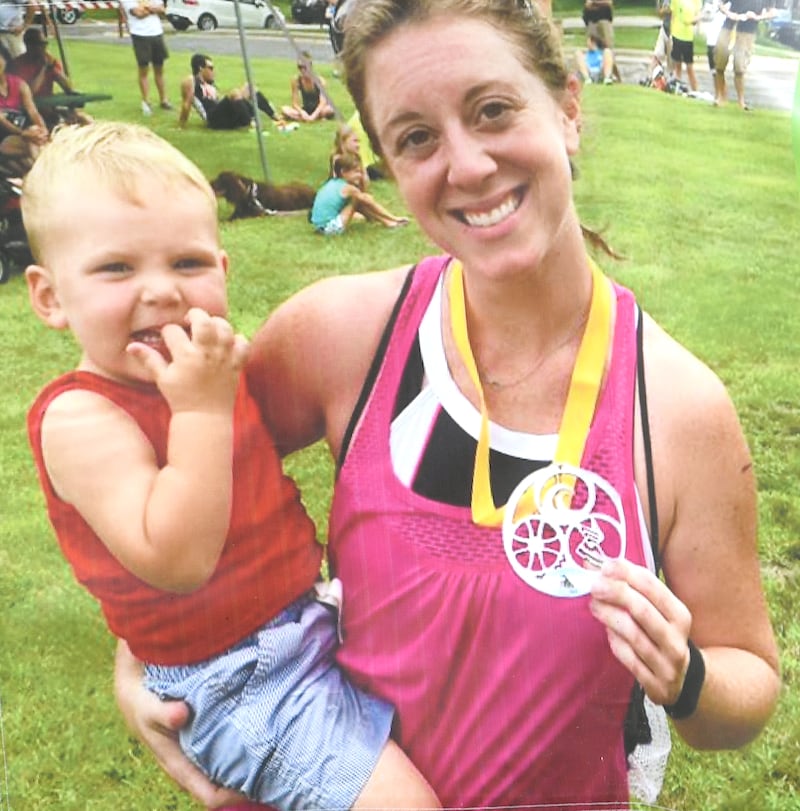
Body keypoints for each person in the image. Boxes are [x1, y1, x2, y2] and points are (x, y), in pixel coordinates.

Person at [116, 1, 781, 808]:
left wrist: (687, 674)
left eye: (492, 109)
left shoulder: (675, 408)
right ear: (390, 166)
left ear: (568, 109)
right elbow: (163, 478)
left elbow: (750, 681)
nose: (466, 166)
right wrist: (141, 655)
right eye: (417, 137)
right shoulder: (341, 336)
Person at [22, 121, 439, 811]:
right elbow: (177, 559)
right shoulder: (81, 417)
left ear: (223, 269)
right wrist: (202, 410)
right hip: (234, 678)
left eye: (187, 263)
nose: (162, 291)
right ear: (50, 297)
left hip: (307, 618)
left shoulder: (205, 374)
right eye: (117, 268)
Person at [9, 27, 92, 128]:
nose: (44, 47)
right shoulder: (18, 64)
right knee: (59, 124)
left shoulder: (50, 62)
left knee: (86, 120)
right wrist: (43, 69)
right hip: (29, 112)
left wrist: (53, 68)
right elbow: (29, 93)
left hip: (50, 109)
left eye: (45, 44)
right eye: (41, 44)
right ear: (29, 45)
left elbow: (68, 88)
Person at [311, 152, 409, 235]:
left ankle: (386, 222)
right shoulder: (348, 188)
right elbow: (370, 203)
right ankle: (389, 221)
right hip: (330, 229)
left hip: (319, 227)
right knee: (357, 200)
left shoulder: (333, 183)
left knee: (356, 200)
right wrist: (394, 217)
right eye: (356, 172)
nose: (360, 175)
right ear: (343, 172)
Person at [179, 53, 281, 130]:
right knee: (235, 93)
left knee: (248, 87)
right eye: (210, 68)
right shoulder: (191, 80)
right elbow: (186, 104)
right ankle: (251, 124)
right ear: (200, 68)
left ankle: (275, 116)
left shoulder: (210, 84)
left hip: (223, 116)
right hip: (213, 119)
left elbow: (219, 101)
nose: (213, 71)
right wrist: (181, 126)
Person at [713, 0, 776, 109]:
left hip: (748, 32)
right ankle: (720, 97)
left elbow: (773, 12)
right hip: (729, 27)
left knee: (740, 67)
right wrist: (729, 14)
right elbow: (720, 3)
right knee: (720, 63)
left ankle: (741, 102)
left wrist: (757, 17)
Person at [121, 0, 172, 116]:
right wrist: (153, 9)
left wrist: (146, 8)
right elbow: (138, 13)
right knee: (144, 69)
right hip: (140, 35)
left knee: (159, 68)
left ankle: (163, 100)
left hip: (156, 33)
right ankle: (146, 101)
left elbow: (162, 9)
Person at [0, 50, 47, 174]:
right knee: (31, 144)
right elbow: (2, 120)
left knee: (34, 142)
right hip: (4, 134)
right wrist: (23, 133)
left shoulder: (19, 84)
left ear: (5, 61)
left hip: (21, 130)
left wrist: (42, 129)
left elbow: (33, 111)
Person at [280, 51, 335, 123]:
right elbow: (295, 103)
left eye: (305, 67)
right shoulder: (296, 80)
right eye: (300, 67)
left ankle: (308, 118)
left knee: (329, 109)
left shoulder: (320, 81)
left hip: (320, 109)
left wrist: (313, 116)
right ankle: (315, 118)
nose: (302, 70)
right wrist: (302, 112)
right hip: (306, 109)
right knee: (285, 109)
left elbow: (322, 103)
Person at [669, 0, 701, 91]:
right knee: (677, 64)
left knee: (689, 67)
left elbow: (696, 17)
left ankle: (695, 91)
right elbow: (673, 15)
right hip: (677, 34)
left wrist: (697, 19)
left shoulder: (696, 1)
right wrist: (671, 34)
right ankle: (677, 88)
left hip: (687, 37)